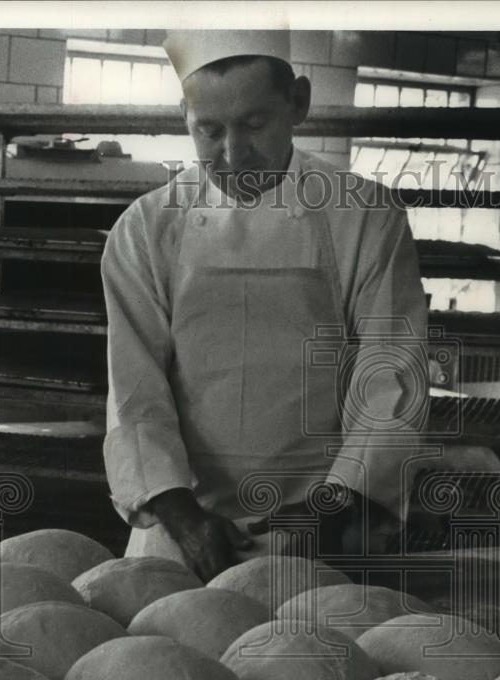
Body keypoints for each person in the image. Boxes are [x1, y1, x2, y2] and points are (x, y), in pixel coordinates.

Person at [101, 29, 429, 583]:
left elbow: (391, 378)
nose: (232, 155)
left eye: (254, 125)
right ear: (185, 116)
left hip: (325, 523)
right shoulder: (146, 228)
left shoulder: (364, 217)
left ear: (298, 102)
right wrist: (179, 513)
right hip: (180, 526)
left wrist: (337, 503)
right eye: (209, 130)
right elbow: (135, 391)